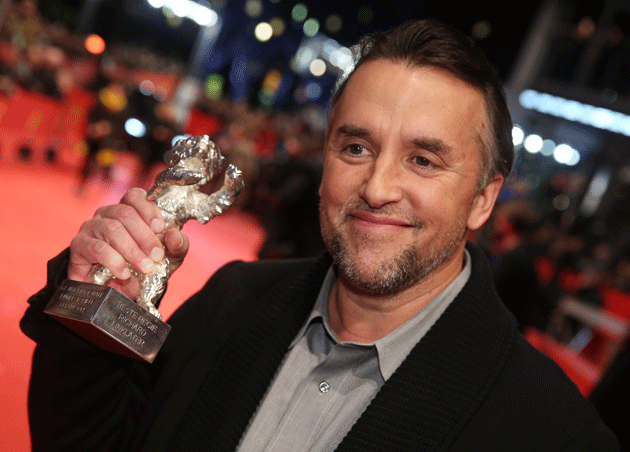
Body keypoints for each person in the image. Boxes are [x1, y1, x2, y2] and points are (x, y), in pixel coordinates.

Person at [21, 19, 618, 451]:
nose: (378, 186)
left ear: (483, 198)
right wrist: (94, 317)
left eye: (424, 161)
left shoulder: (552, 432)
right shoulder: (232, 300)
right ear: (325, 155)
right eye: (356, 147)